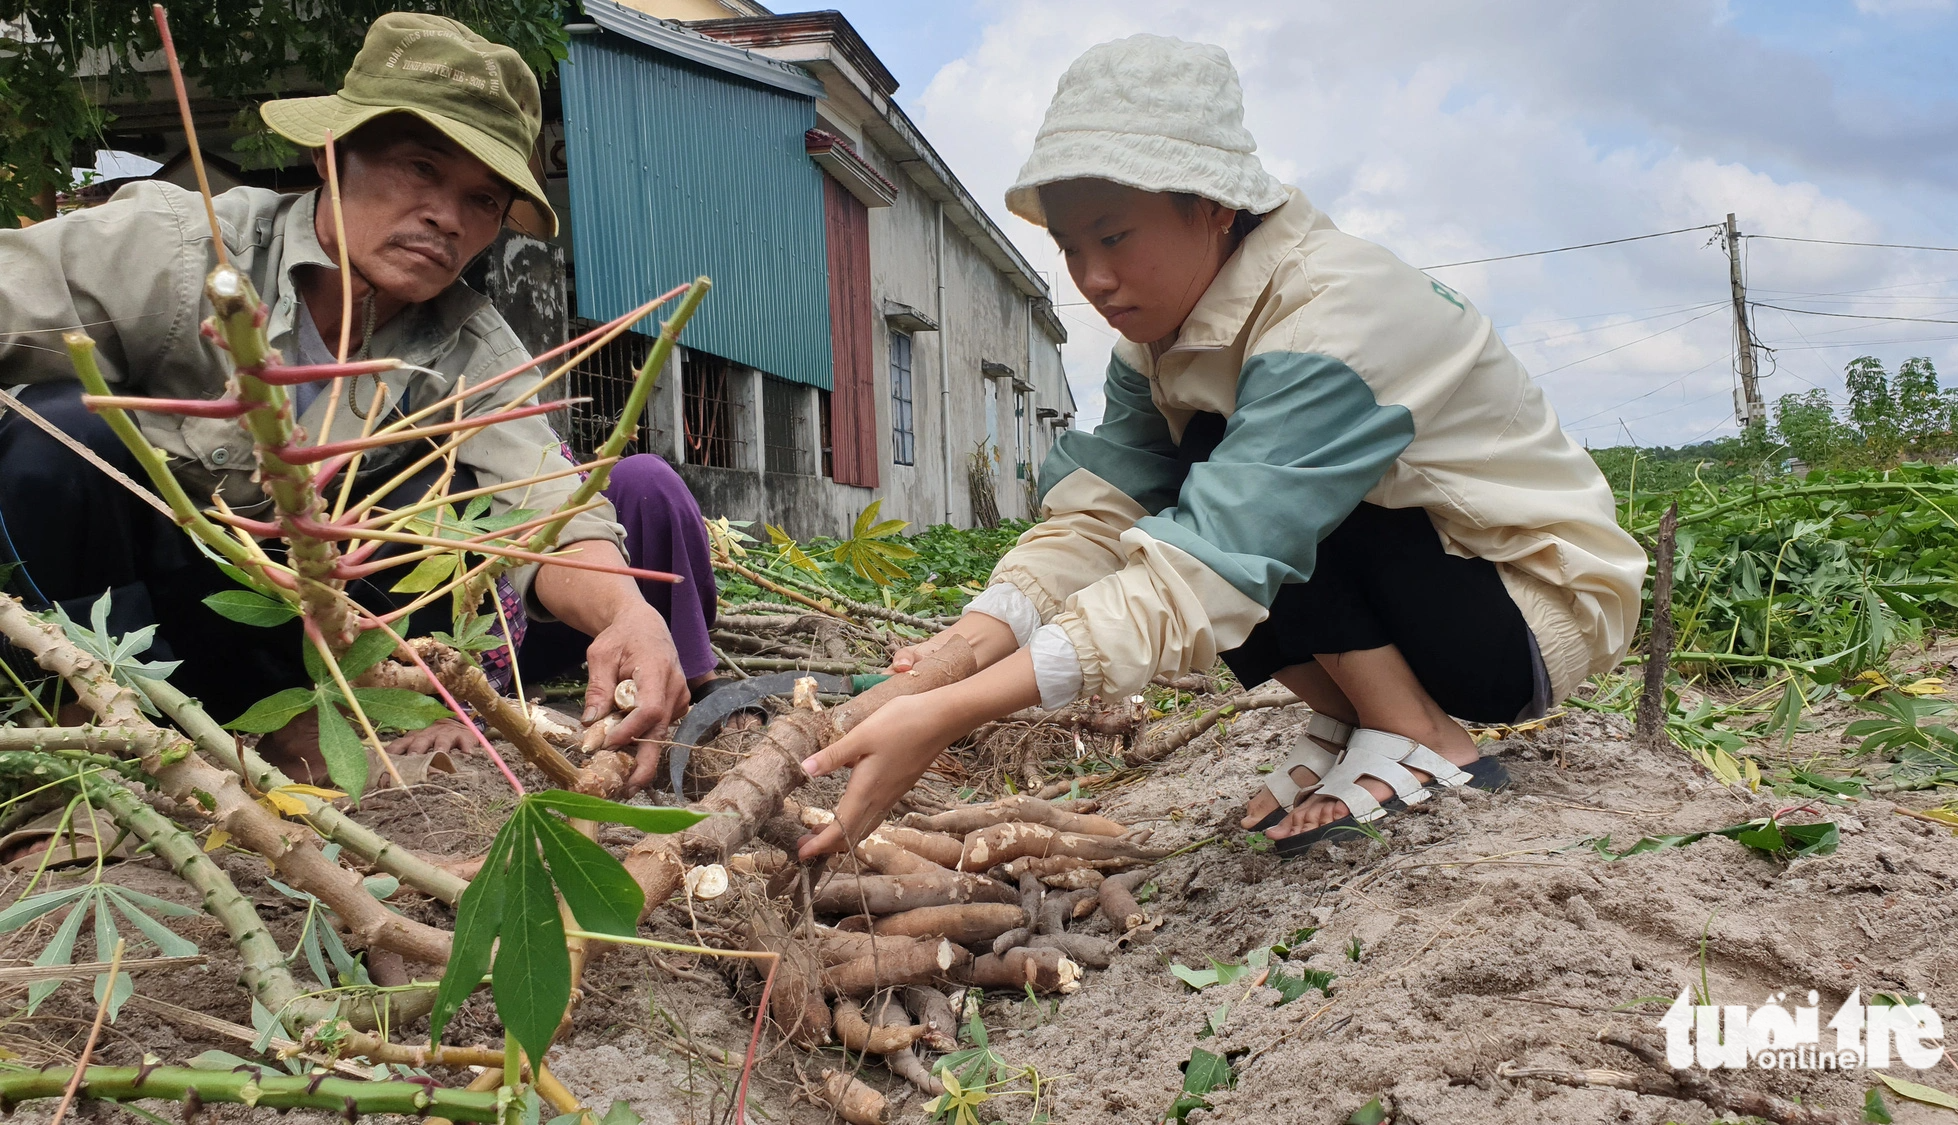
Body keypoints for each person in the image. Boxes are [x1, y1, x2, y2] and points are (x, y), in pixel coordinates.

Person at [797, 34, 1647, 861]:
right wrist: (961, 650)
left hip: (1526, 611)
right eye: (1071, 248)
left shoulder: (1329, 317)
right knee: (1188, 467)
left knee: (1215, 472)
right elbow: (1101, 517)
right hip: (1434, 591)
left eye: (1114, 235)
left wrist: (951, 715)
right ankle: (1363, 718)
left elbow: (1212, 560)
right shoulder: (1163, 346)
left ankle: (1421, 734)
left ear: (1211, 206)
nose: (1092, 278)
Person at [0, 13, 708, 793]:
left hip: (335, 636)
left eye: (482, 200)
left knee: (430, 487)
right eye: (420, 168)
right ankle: (92, 737)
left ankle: (335, 722)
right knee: (58, 428)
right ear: (329, 154)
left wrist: (625, 611)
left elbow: (546, 511)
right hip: (156, 613)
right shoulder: (178, 244)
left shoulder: (473, 346)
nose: (447, 217)